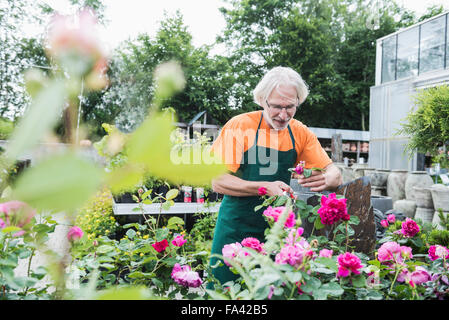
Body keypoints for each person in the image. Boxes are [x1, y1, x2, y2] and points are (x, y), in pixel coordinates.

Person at [208, 66, 342, 286]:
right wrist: (264, 186)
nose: (283, 114)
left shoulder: (299, 132)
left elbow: (333, 171)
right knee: (225, 291)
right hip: (235, 229)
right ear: (262, 100)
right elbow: (218, 181)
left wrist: (331, 177)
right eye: (277, 106)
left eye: (291, 107)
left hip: (277, 232)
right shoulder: (239, 126)